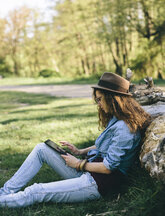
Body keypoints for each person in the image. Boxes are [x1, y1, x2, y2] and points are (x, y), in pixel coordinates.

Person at [0, 72, 151, 208]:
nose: (98, 104)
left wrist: (78, 164)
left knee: (36, 191)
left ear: (113, 99)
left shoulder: (124, 129)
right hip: (90, 170)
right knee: (41, 149)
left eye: (100, 99)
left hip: (98, 184)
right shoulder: (117, 119)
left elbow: (108, 167)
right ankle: (5, 192)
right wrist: (80, 151)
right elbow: (106, 146)